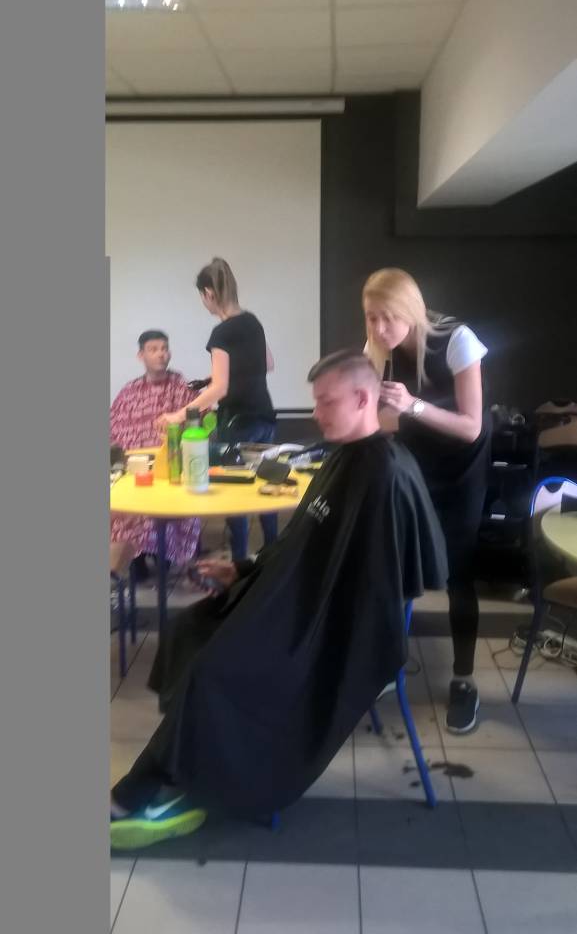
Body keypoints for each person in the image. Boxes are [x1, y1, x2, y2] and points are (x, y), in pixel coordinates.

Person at [110, 350, 447, 850]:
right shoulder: (343, 457)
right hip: (294, 605)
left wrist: (285, 613)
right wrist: (244, 569)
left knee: (212, 671)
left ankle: (151, 787)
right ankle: (198, 763)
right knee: (187, 629)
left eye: (326, 402)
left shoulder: (383, 475)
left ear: (362, 399)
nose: (315, 413)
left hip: (320, 631)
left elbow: (365, 594)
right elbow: (301, 544)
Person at [362, 268, 491, 734]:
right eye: (371, 318)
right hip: (416, 464)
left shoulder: (458, 341)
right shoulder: (377, 349)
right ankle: (388, 664)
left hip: (462, 470)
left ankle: (464, 681)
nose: (379, 329)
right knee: (394, 562)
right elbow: (381, 419)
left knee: (458, 574)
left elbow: (471, 426)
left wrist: (411, 405)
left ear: (411, 311)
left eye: (388, 317)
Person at [157, 257, 277, 560]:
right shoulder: (252, 321)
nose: (203, 303)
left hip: (237, 421)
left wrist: (179, 415)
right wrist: (216, 377)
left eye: (202, 297)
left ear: (208, 293)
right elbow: (267, 364)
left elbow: (220, 389)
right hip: (264, 416)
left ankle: (238, 562)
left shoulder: (221, 334)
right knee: (268, 482)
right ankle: (274, 553)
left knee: (234, 491)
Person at [109, 330, 201, 579]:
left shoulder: (181, 386)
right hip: (136, 469)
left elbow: (198, 422)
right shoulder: (130, 391)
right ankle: (135, 556)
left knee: (167, 504)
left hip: (172, 467)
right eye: (154, 349)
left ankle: (165, 553)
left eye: (164, 348)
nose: (161, 354)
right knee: (127, 504)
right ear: (141, 355)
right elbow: (113, 428)